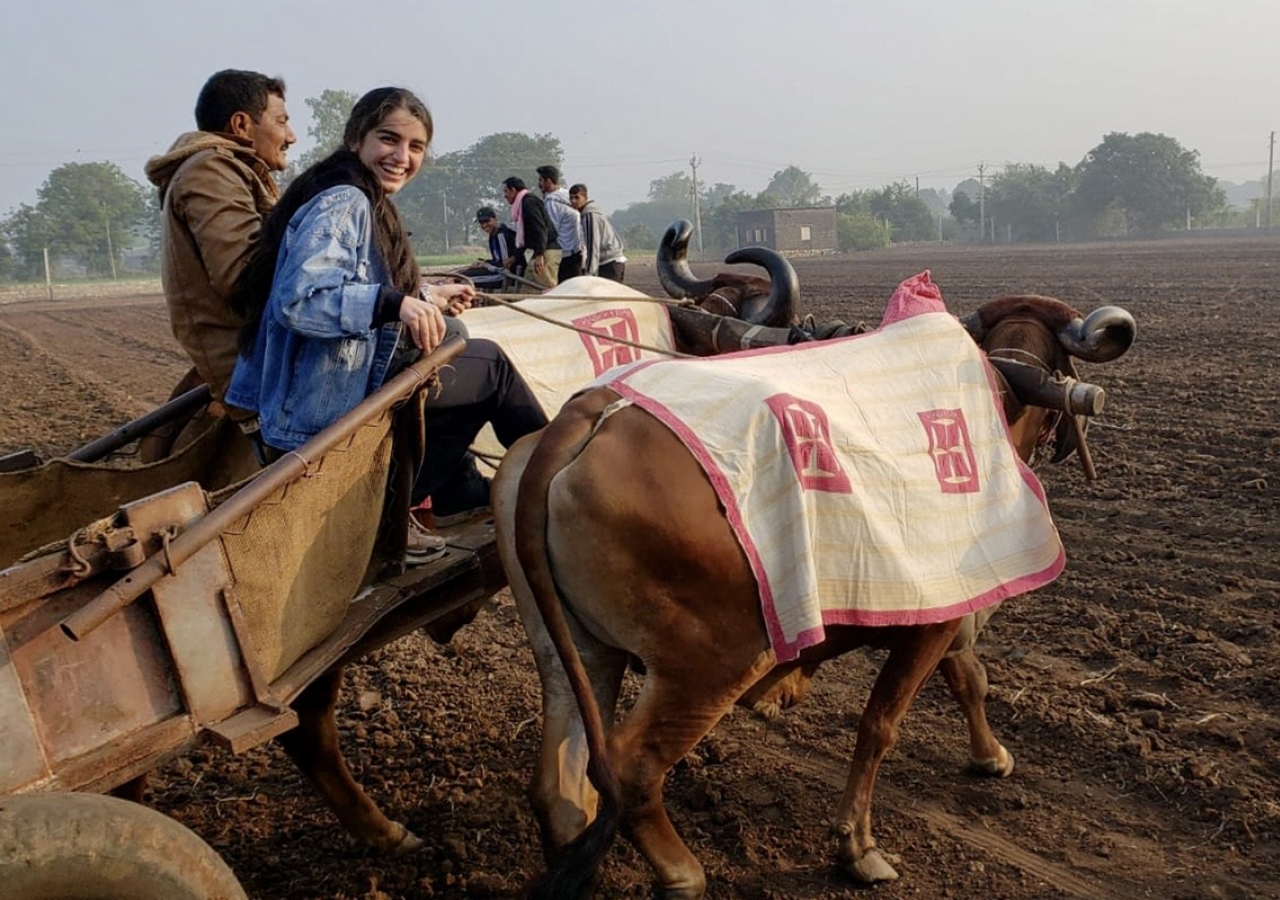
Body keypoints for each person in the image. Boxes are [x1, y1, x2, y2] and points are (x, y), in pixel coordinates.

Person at [226, 87, 548, 563]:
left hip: (318, 387)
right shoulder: (345, 202)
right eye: (389, 140)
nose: (402, 157)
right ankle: (550, 479)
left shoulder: (354, 192)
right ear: (357, 139)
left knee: (452, 339)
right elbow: (301, 300)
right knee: (490, 367)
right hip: (316, 404)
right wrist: (394, 303)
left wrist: (427, 297)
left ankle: (443, 491)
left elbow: (359, 281)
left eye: (415, 147)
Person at [145, 69, 297, 404]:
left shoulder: (228, 170)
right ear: (242, 125)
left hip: (271, 351)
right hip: (261, 364)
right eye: (282, 121)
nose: (291, 136)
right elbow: (242, 276)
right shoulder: (210, 171)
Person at [502, 176, 557, 289]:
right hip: (542, 250)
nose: (505, 195)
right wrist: (514, 257)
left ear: (513, 190)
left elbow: (540, 229)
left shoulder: (528, 202)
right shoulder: (522, 204)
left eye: (506, 191)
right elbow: (526, 236)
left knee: (545, 286)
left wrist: (539, 255)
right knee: (528, 287)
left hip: (548, 250)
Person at [452, 207, 521, 291]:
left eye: (487, 221)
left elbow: (503, 266)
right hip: (497, 272)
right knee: (460, 274)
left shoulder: (501, 235)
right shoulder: (493, 235)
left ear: (495, 218)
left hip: (505, 275)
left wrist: (484, 263)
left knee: (462, 279)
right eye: (481, 222)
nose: (484, 225)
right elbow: (496, 261)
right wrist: (482, 262)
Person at [569, 183, 627, 283]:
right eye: (571, 198)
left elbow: (593, 246)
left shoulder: (590, 215)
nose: (573, 201)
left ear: (585, 197)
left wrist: (589, 274)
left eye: (577, 198)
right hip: (614, 261)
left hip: (610, 262)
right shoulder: (591, 212)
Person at [537, 165, 583, 283]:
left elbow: (551, 230)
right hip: (577, 249)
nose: (539, 184)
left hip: (563, 252)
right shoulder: (567, 194)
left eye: (541, 180)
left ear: (548, 181)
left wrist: (540, 253)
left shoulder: (551, 201)